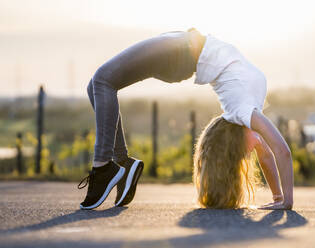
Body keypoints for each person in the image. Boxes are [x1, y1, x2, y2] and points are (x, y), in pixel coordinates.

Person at [78, 28, 293, 210]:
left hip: (182, 51)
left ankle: (103, 166)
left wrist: (287, 202)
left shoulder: (241, 110)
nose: (254, 145)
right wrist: (278, 198)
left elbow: (281, 151)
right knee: (96, 87)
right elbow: (267, 155)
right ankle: (123, 163)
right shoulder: (248, 115)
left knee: (102, 81)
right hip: (184, 49)